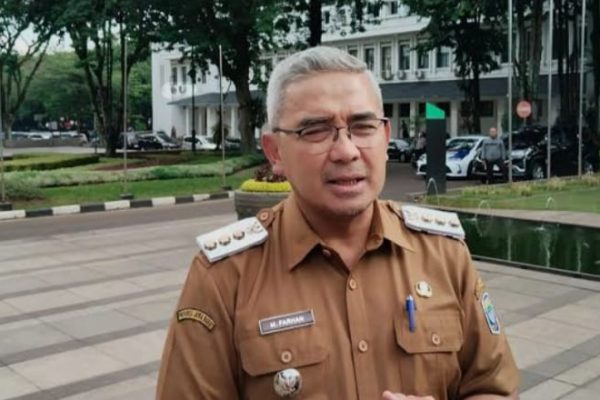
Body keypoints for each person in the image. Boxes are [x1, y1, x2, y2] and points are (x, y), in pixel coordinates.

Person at [156, 46, 519, 400]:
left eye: (362, 126)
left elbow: (494, 387)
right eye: (315, 130)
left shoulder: (443, 254)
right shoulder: (225, 278)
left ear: (385, 137)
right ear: (275, 152)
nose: (346, 151)